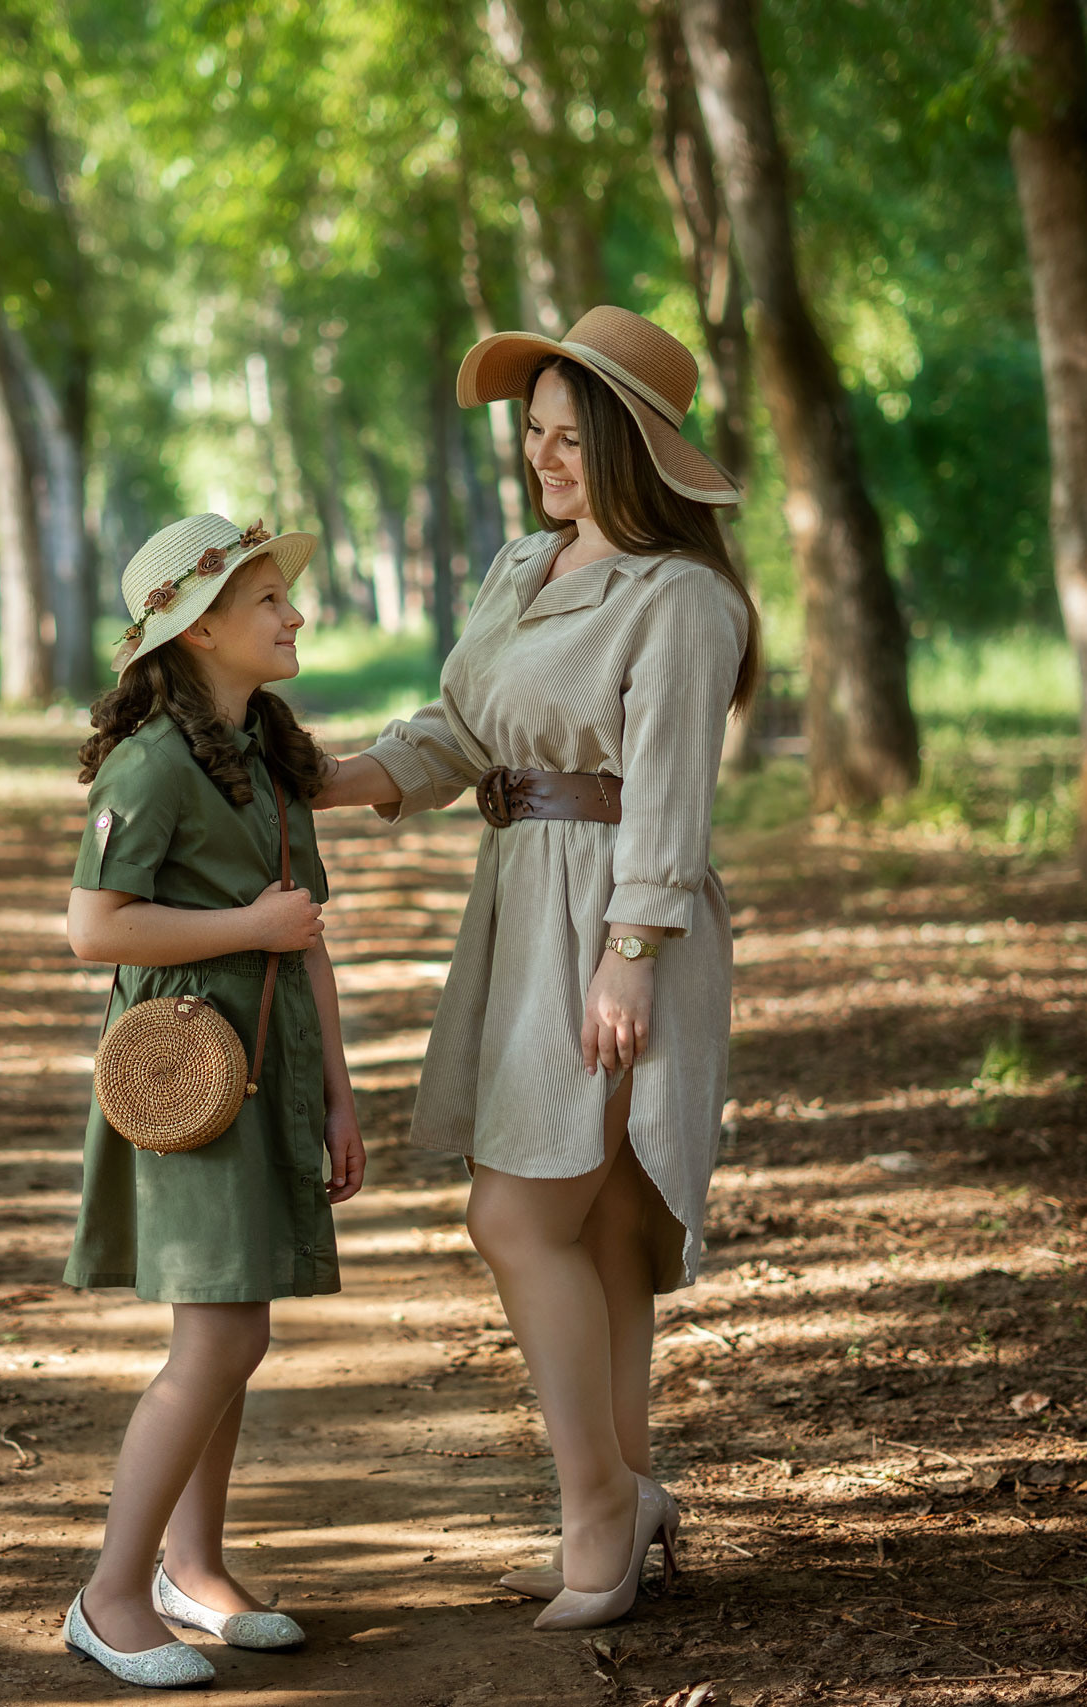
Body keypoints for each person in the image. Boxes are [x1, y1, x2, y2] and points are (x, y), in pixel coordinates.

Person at [314, 305, 759, 1631]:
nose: (542, 458)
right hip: (521, 905)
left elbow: (671, 790)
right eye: (534, 433)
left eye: (568, 437)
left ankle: (599, 1508)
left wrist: (631, 953)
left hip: (618, 920)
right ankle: (620, 1496)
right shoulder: (526, 566)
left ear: (630, 448)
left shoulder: (682, 599)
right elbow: (460, 729)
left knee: (516, 1218)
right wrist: (323, 778)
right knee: (600, 1227)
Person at [58, 513, 368, 1687]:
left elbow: (307, 938)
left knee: (233, 1325)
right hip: (184, 1079)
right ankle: (109, 1596)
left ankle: (193, 1568)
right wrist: (246, 926)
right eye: (268, 601)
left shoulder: (266, 755)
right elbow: (94, 929)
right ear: (196, 630)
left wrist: (338, 1098)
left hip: (269, 1067)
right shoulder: (150, 767)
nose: (295, 615)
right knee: (225, 1331)